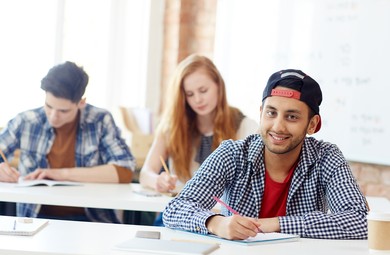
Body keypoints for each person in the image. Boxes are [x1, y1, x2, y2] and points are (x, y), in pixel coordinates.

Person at [163, 69, 368, 240]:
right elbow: (175, 209)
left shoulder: (326, 157)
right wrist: (217, 223)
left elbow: (360, 221)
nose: (278, 127)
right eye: (271, 113)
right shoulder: (232, 154)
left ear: (312, 124)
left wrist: (276, 224)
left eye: (292, 116)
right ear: (261, 113)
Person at [0, 61, 136, 223]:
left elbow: (124, 171)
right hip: (34, 219)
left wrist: (61, 174)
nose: (53, 116)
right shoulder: (26, 120)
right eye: (49, 106)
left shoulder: (100, 120)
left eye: (63, 111)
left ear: (81, 102)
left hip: (91, 220)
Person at [140, 54, 258, 193]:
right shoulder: (172, 127)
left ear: (219, 86)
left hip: (222, 213)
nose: (197, 99)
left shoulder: (245, 126)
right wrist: (157, 181)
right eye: (190, 94)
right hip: (180, 210)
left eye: (203, 91)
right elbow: (145, 174)